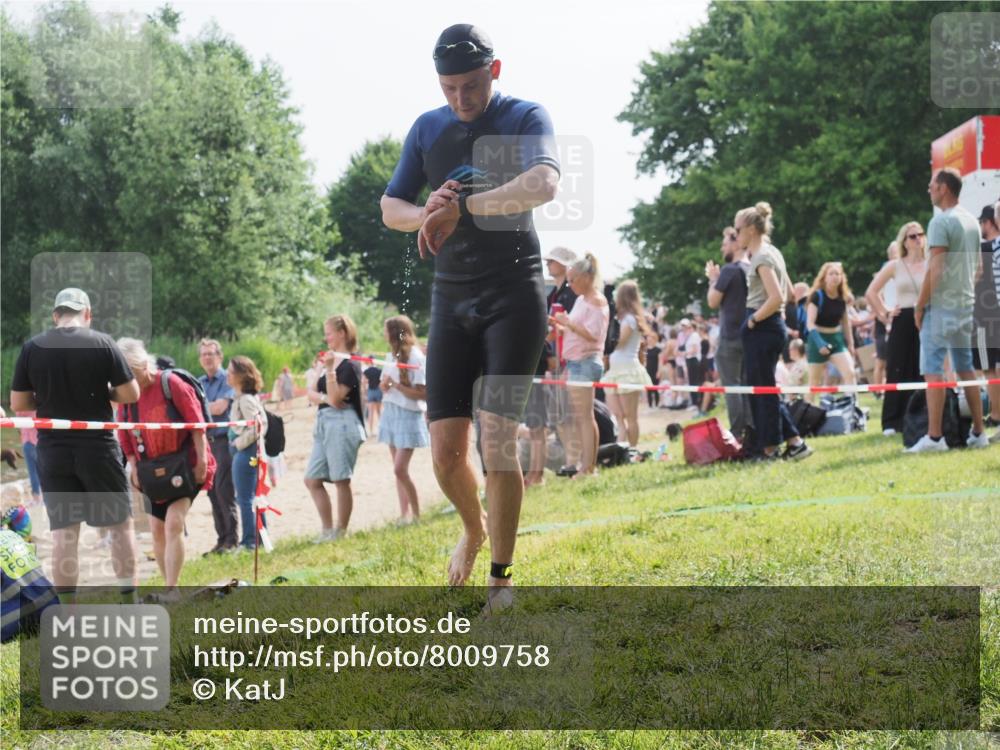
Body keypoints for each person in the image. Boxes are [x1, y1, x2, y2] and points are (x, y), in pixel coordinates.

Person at [380, 24, 560, 595]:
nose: (460, 99)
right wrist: (427, 212)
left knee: (499, 436)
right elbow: (390, 206)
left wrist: (467, 209)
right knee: (445, 451)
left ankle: (501, 581)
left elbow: (543, 184)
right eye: (449, 87)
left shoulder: (525, 117)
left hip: (516, 295)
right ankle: (473, 528)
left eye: (471, 85)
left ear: (495, 71)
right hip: (451, 299)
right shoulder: (428, 128)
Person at [10, 288, 140, 601]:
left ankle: (68, 611)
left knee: (64, 535)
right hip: (98, 448)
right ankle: (128, 602)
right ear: (87, 314)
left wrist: (49, 398)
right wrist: (103, 393)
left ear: (56, 315)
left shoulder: (32, 347)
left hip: (54, 451)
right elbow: (131, 393)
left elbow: (18, 403)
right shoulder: (102, 342)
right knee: (121, 527)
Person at [117, 337, 214, 593]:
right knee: (156, 529)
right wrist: (134, 467)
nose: (128, 382)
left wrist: (202, 459)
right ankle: (168, 585)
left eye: (130, 374)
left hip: (186, 465)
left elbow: (197, 423)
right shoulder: (126, 395)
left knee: (173, 522)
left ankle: (172, 589)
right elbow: (125, 435)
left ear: (141, 365)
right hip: (152, 472)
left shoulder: (171, 384)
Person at [908, 168, 987, 452]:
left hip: (941, 307)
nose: (929, 190)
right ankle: (979, 432)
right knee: (967, 370)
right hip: (965, 305)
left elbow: (936, 268)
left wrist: (919, 305)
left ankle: (934, 437)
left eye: (932, 185)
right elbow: (978, 269)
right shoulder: (971, 222)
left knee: (933, 371)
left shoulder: (940, 222)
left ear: (943, 188)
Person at [736, 204, 812, 461]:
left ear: (750, 229)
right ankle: (795, 443)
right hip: (772, 326)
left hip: (762, 325)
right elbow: (791, 293)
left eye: (738, 230)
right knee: (766, 389)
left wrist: (752, 321)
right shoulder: (774, 252)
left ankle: (770, 449)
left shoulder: (760, 258)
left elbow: (778, 296)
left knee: (762, 393)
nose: (736, 236)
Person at [304, 315, 367, 540]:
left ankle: (340, 532)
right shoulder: (328, 361)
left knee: (341, 479)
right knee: (312, 479)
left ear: (342, 333)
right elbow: (312, 393)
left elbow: (335, 397)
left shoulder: (350, 364)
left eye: (329, 332)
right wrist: (325, 395)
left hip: (342, 423)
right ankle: (327, 529)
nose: (326, 337)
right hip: (324, 421)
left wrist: (329, 371)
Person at [523, 246, 578, 487]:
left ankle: (572, 464)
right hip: (551, 363)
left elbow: (565, 328)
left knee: (565, 418)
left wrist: (544, 340)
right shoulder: (552, 294)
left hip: (564, 361)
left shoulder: (570, 294)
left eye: (552, 262)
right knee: (553, 420)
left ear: (565, 265)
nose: (548, 265)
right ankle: (564, 465)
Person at [551, 253, 610, 478]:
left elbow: (593, 336)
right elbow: (577, 329)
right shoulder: (582, 300)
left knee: (585, 417)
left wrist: (569, 324)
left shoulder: (597, 300)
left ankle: (588, 468)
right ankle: (584, 466)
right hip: (576, 362)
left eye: (573, 279)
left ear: (587, 277)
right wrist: (561, 325)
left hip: (586, 362)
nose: (570, 284)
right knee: (580, 417)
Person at [866, 223, 926, 435]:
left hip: (926, 318)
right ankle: (891, 421)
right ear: (904, 241)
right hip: (902, 319)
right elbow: (871, 292)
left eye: (920, 235)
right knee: (897, 368)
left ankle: (921, 415)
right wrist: (885, 313)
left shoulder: (931, 263)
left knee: (922, 368)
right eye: (912, 236)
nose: (917, 239)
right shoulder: (895, 265)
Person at [377, 315, 430, 523]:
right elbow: (385, 383)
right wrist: (385, 385)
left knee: (400, 469)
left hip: (408, 415)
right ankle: (403, 514)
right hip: (391, 412)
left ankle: (416, 514)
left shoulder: (416, 357)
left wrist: (397, 386)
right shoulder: (391, 355)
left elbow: (423, 393)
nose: (383, 334)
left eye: (386, 330)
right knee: (397, 471)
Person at [705, 225, 752, 438]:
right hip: (750, 335)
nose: (722, 249)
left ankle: (738, 431)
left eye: (725, 244)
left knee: (732, 386)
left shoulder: (730, 270)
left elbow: (712, 301)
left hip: (731, 336)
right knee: (747, 386)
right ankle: (750, 430)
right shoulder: (751, 267)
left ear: (735, 243)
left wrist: (713, 279)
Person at [197, 338, 239, 556]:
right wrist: (205, 409)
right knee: (212, 493)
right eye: (204, 354)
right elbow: (206, 409)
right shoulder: (199, 382)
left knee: (224, 491)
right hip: (206, 444)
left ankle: (232, 540)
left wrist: (200, 410)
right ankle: (221, 539)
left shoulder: (227, 379)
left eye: (211, 354)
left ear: (219, 356)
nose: (207, 358)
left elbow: (221, 407)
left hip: (223, 442)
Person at [603, 280, 653, 446]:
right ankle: (622, 447)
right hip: (615, 370)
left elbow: (619, 342)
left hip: (628, 370)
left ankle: (632, 450)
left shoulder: (631, 319)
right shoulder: (620, 318)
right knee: (617, 415)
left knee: (630, 416)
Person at [226, 356, 268, 550]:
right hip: (246, 453)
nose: (227, 374)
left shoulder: (245, 400)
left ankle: (250, 541)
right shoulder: (242, 399)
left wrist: (238, 443)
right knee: (252, 496)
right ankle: (259, 537)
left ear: (242, 376)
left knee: (245, 498)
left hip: (246, 453)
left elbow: (261, 425)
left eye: (231, 371)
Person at [805, 262, 857, 400]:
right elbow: (809, 323)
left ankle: (851, 407)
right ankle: (805, 414)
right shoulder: (817, 296)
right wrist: (819, 343)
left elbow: (846, 323)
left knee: (850, 373)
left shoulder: (843, 298)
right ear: (825, 278)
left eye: (837, 274)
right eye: (831, 274)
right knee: (814, 382)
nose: (835, 277)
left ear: (841, 278)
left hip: (836, 339)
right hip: (817, 339)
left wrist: (851, 344)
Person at [973, 203, 1000, 441]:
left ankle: (996, 414)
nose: (981, 226)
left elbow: (975, 277)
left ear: (989, 223)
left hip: (983, 315)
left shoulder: (981, 249)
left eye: (982, 222)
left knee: (988, 368)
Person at [871, 242, 900, 390]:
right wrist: (885, 315)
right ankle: (878, 390)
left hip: (898, 316)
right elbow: (875, 295)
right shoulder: (884, 272)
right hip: (885, 320)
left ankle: (889, 387)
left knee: (893, 359)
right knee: (881, 360)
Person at [14, 410, 41, 506]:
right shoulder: (38, 406)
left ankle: (36, 498)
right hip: (39, 441)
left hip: (28, 442)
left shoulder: (22, 409)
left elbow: (16, 412)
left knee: (32, 472)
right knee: (43, 471)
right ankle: (44, 498)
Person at [363, 364, 383, 436]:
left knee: (371, 413)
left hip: (371, 391)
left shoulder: (367, 371)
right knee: (379, 412)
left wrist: (365, 392)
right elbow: (382, 381)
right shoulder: (379, 370)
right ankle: (381, 430)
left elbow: (364, 381)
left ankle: (370, 431)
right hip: (378, 390)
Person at [644, 332, 662, 408]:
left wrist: (659, 371)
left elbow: (660, 361)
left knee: (655, 387)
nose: (649, 340)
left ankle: (657, 404)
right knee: (648, 388)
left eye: (651, 338)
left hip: (655, 370)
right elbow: (644, 361)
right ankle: (650, 405)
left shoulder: (658, 350)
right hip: (647, 370)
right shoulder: (645, 349)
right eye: (648, 339)